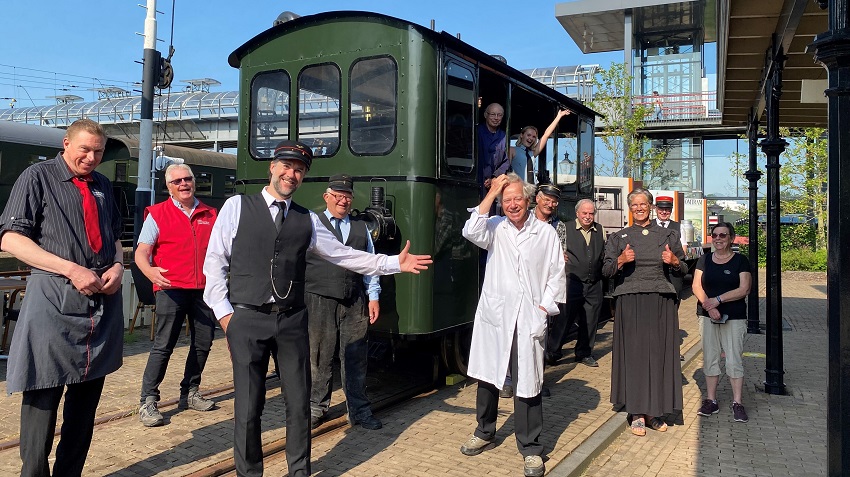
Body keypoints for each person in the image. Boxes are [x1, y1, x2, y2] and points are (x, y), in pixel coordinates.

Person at [203, 140, 431, 477]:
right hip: (247, 318)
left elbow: (343, 255)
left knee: (299, 404)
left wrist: (393, 263)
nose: (291, 174)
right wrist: (225, 316)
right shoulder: (237, 206)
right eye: (286, 166)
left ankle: (299, 472)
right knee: (249, 407)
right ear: (272, 167)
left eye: (299, 170)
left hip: (292, 321)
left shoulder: (307, 219)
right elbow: (214, 262)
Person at [0, 119, 125, 477]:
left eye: (98, 151)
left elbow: (115, 236)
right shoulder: (37, 177)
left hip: (100, 306)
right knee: (43, 397)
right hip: (53, 301)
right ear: (66, 143)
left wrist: (118, 266)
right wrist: (71, 269)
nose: (91, 157)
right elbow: (10, 238)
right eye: (85, 149)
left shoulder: (102, 184)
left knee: (85, 409)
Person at [459, 173, 565, 477]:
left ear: (528, 200)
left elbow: (556, 274)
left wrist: (543, 309)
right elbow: (470, 230)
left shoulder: (545, 233)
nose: (513, 204)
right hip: (497, 315)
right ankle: (484, 431)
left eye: (517, 198)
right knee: (488, 376)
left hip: (528, 317)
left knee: (528, 382)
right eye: (507, 200)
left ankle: (531, 448)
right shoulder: (495, 228)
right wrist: (492, 192)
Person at [135, 163, 218, 427]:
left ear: (194, 182)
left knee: (203, 343)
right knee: (164, 345)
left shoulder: (210, 214)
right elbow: (141, 252)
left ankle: (190, 392)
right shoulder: (157, 214)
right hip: (171, 289)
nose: (183, 184)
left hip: (204, 290)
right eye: (177, 181)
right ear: (168, 187)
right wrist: (150, 273)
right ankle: (148, 400)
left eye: (187, 179)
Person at [602, 188, 687, 437]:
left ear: (651, 206)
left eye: (643, 204)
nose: (639, 208)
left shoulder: (669, 235)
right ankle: (637, 412)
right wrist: (620, 260)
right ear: (630, 209)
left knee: (659, 355)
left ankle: (654, 411)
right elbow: (605, 271)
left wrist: (674, 261)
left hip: (661, 301)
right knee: (635, 356)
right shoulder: (619, 237)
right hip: (630, 301)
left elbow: (684, 268)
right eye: (634, 205)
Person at [306, 174, 382, 431]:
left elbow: (371, 263)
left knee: (356, 356)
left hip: (354, 299)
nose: (343, 200)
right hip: (319, 298)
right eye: (338, 195)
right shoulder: (312, 224)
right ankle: (316, 407)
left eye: (347, 196)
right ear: (326, 197)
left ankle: (359, 410)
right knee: (319, 355)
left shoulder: (361, 228)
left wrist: (373, 296)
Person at [691, 222, 752, 423]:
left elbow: (744, 289)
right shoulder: (704, 259)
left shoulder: (741, 261)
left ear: (731, 238)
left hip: (734, 317)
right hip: (707, 316)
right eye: (715, 235)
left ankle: (737, 402)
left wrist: (718, 300)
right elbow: (696, 286)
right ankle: (711, 400)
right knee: (710, 358)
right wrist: (709, 307)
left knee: (734, 359)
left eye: (723, 235)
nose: (718, 239)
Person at [547, 198, 606, 368]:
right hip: (571, 281)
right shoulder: (565, 227)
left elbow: (603, 252)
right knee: (564, 319)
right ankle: (552, 352)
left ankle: (584, 353)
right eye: (584, 213)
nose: (588, 216)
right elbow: (555, 250)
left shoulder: (600, 230)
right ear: (577, 213)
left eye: (591, 213)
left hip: (594, 282)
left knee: (591, 320)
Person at [508, 109, 571, 184]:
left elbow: (546, 135)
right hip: (519, 188)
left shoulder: (532, 153)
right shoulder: (512, 150)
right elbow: (506, 170)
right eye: (528, 135)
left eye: (534, 137)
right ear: (522, 135)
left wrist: (558, 116)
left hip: (533, 188)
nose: (531, 138)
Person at [476, 103, 508, 198]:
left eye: (499, 115)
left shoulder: (504, 136)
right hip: (475, 181)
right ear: (486, 115)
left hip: (493, 186)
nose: (496, 118)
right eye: (493, 114)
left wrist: (495, 178)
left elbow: (506, 161)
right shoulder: (477, 131)